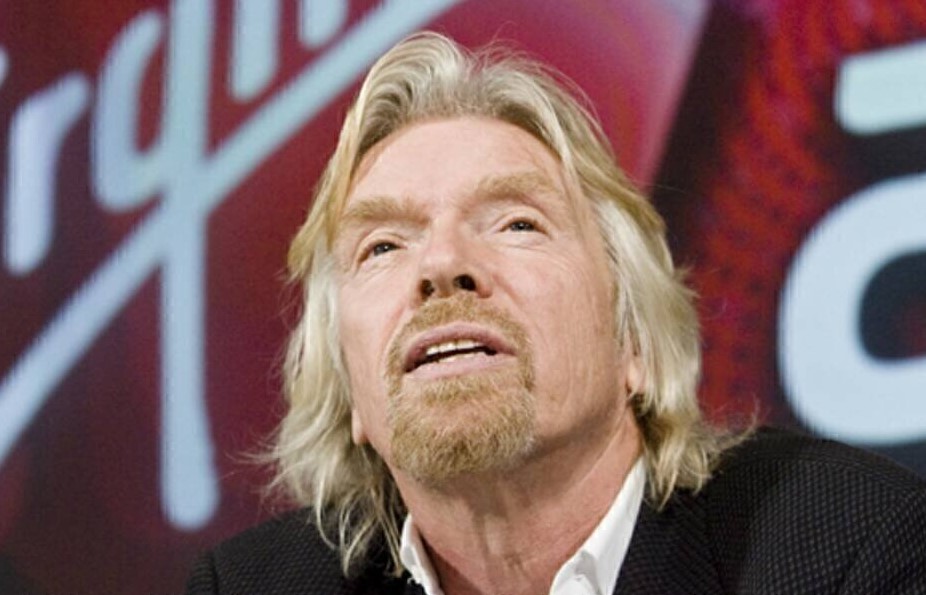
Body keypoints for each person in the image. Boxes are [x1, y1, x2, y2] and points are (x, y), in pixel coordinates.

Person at [186, 32, 926, 595]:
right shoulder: (249, 586)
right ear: (349, 388)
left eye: (517, 224)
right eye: (382, 246)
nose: (441, 264)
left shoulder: (847, 549)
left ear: (634, 340)